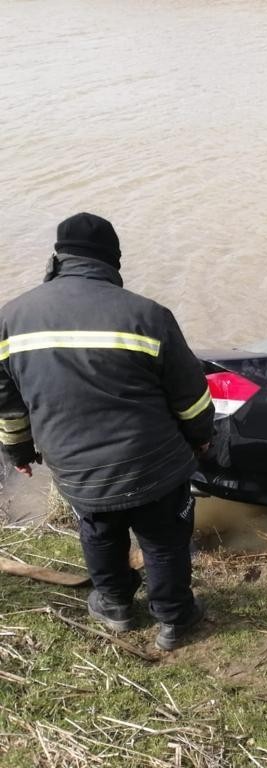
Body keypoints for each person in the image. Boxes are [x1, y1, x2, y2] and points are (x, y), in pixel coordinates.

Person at [0, 212, 214, 651]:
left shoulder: (10, 319)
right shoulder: (148, 315)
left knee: (98, 530)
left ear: (57, 258)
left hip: (76, 470)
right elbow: (191, 395)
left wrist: (18, 451)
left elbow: (7, 402)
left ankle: (115, 605)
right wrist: (200, 437)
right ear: (112, 261)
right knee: (162, 539)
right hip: (152, 466)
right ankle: (174, 620)